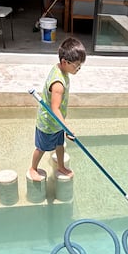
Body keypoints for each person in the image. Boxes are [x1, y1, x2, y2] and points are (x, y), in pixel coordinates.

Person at [29, 37, 86, 182]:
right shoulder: (58, 84)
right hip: (48, 123)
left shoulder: (62, 69)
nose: (79, 69)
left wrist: (63, 126)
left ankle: (60, 166)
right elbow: (54, 108)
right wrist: (67, 128)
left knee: (60, 145)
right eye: (77, 65)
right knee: (41, 148)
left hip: (58, 122)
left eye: (80, 65)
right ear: (65, 62)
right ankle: (33, 168)